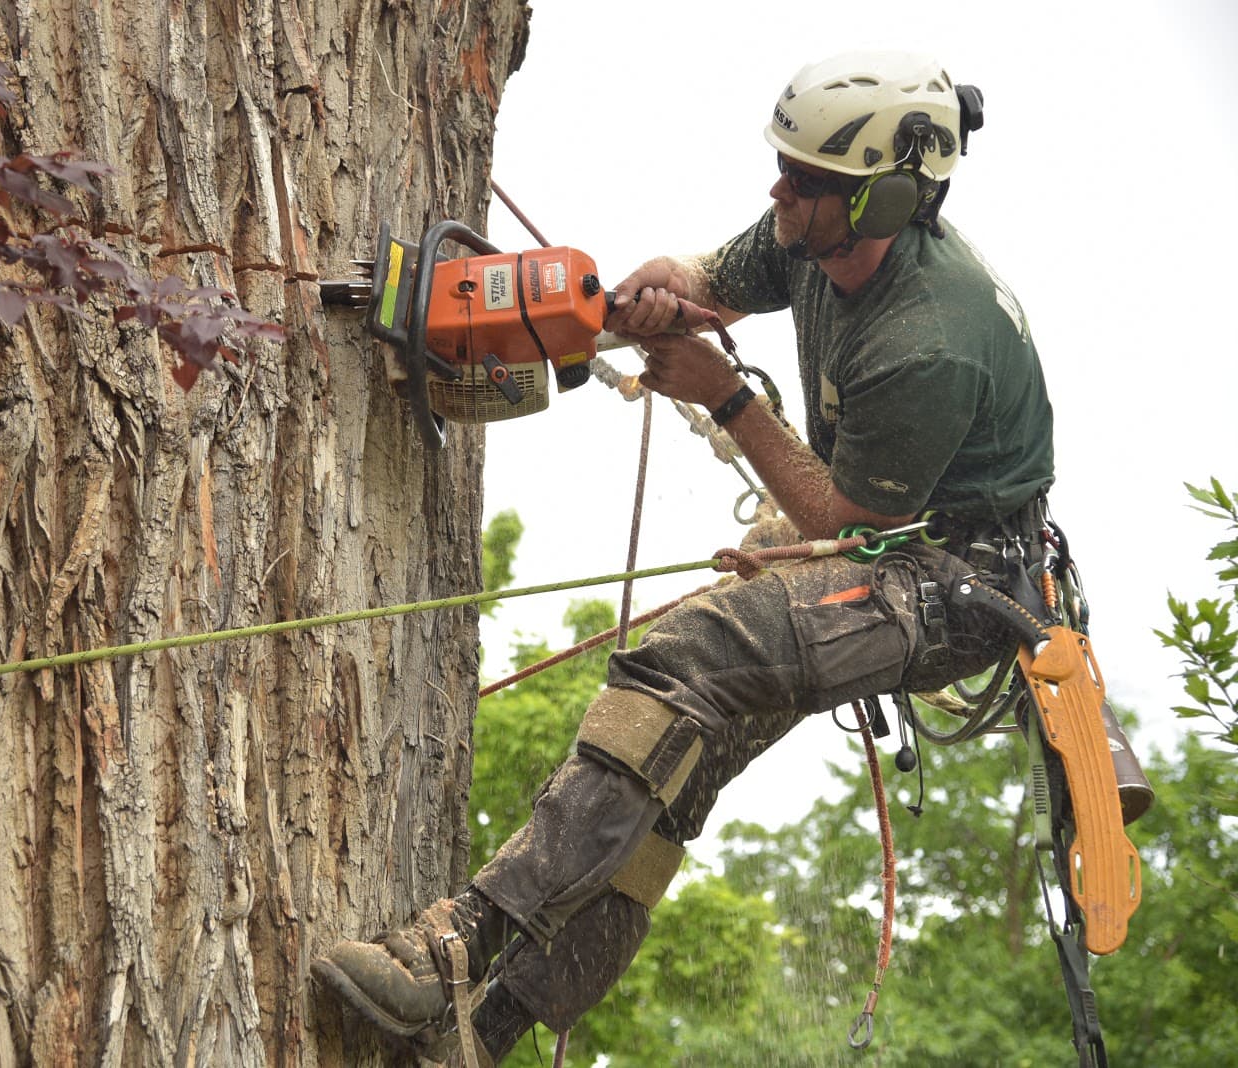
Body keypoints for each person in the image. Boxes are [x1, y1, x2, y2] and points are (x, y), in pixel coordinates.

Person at [313, 50, 1057, 1066]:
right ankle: (476, 1043)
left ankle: (453, 948)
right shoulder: (814, 232)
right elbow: (714, 280)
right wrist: (658, 295)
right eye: (784, 167)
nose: (777, 190)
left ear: (879, 199)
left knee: (687, 656)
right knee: (678, 760)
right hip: (883, 539)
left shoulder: (929, 338)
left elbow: (837, 519)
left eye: (803, 183)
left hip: (948, 582)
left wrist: (724, 395)